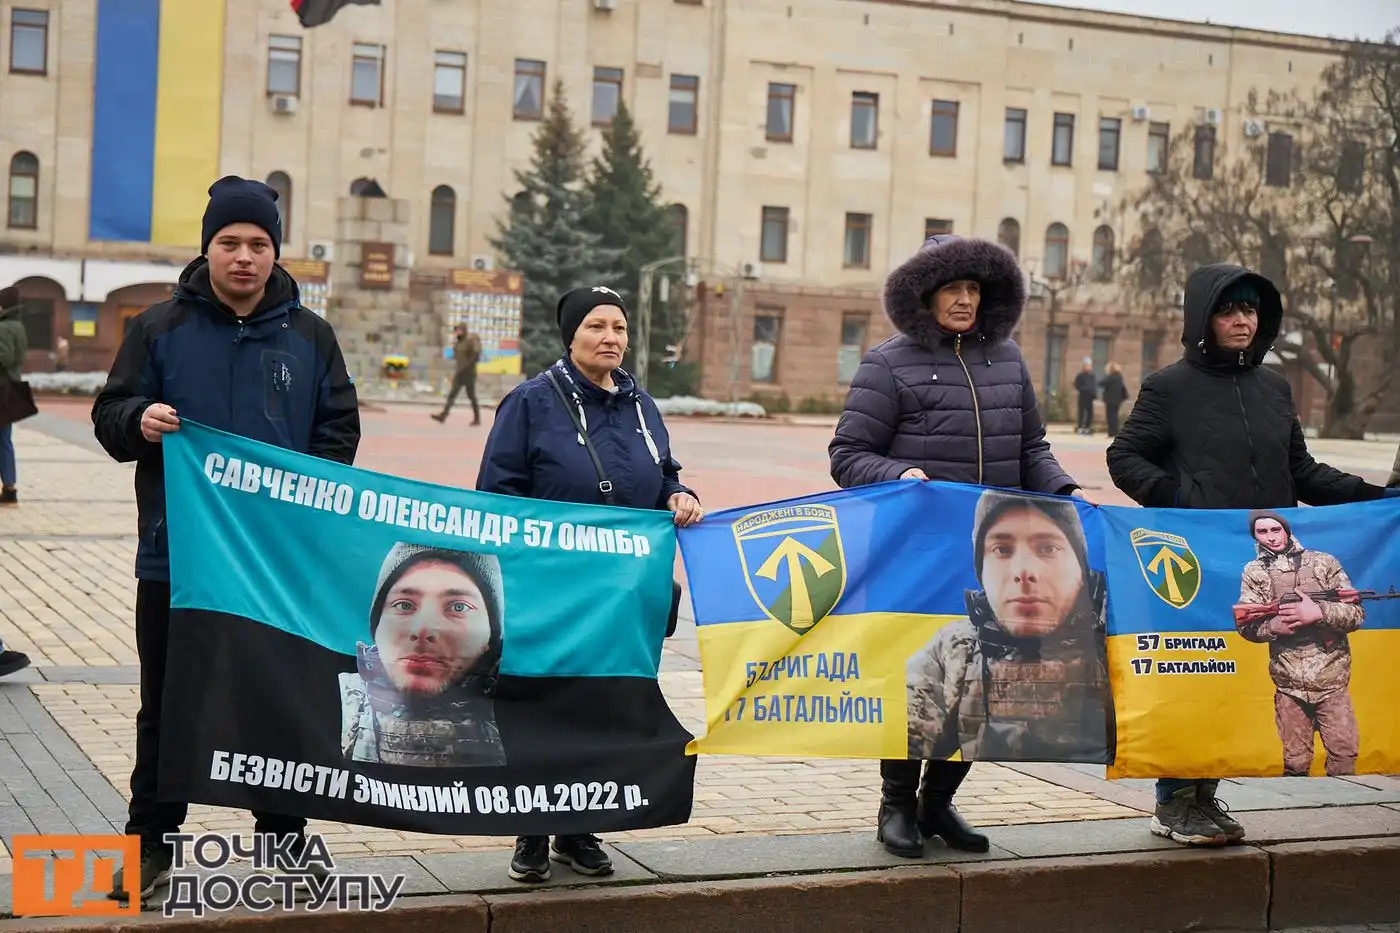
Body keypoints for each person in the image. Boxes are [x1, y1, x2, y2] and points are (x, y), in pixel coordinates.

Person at [90, 176, 361, 901]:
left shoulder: (310, 338)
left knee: (277, 695)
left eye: (258, 244)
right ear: (207, 247)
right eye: (229, 242)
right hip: (176, 560)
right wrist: (138, 420)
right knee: (168, 702)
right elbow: (110, 413)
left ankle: (284, 835)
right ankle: (151, 841)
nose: (244, 256)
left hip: (275, 567)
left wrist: (299, 492)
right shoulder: (158, 328)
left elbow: (338, 434)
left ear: (276, 252)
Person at [1105, 263, 1398, 848]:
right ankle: (1173, 801)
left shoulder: (1274, 387)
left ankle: (1206, 796)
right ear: (1202, 319)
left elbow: (1301, 471)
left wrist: (1379, 500)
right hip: (1199, 564)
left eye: (1250, 311)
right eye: (1228, 310)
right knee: (1198, 681)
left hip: (1266, 566)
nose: (1241, 321)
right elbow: (1125, 457)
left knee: (1238, 684)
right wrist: (1182, 502)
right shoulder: (1170, 386)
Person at [829, 232, 1091, 859]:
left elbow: (1031, 450)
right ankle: (896, 804)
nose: (966, 300)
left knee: (988, 679)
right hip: (916, 554)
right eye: (954, 288)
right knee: (919, 679)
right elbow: (847, 455)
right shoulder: (888, 363)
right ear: (926, 295)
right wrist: (897, 476)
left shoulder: (1007, 359)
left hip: (992, 556)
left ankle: (938, 802)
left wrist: (1067, 491)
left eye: (975, 288)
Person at [476, 284, 702, 884]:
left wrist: (680, 496)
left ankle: (580, 827)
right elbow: (496, 494)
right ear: (570, 336)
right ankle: (531, 830)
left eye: (620, 328)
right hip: (550, 592)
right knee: (543, 704)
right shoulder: (529, 403)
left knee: (607, 706)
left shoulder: (641, 406)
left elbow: (665, 476)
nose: (610, 338)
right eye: (597, 326)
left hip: (624, 597)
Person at [906, 489, 1111, 764]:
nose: (1024, 572)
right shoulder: (954, 648)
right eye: (1001, 550)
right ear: (981, 572)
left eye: (1048, 549)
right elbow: (903, 738)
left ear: (1080, 570)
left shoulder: (1123, 638)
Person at [339, 542, 507, 768]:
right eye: (404, 605)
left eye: (458, 607)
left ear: (490, 636)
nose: (422, 630)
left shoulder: (525, 719)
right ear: (377, 628)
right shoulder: (327, 707)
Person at [1234, 511, 1362, 777]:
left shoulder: (1322, 562)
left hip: (1332, 680)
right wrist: (1274, 627)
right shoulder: (1254, 571)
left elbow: (1355, 614)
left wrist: (1320, 613)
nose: (1271, 537)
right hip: (1288, 683)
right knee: (1295, 762)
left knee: (1344, 754)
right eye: (1262, 532)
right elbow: (1246, 623)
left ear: (1287, 530)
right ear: (1254, 536)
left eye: (1275, 529)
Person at [0, 284, 25, 506]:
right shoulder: (17, 325)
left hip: (2, 388)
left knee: (4, 440)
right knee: (5, 439)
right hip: (11, 388)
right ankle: (9, 486)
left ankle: (9, 487)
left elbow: (5, 357)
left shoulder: (5, 328)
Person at [431, 324, 481, 425]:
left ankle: (477, 418)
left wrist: (467, 367)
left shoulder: (471, 340)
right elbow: (457, 356)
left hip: (469, 373)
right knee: (452, 394)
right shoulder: (458, 342)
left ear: (464, 330)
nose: (457, 332)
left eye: (459, 330)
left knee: (471, 396)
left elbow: (475, 355)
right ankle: (444, 415)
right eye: (456, 331)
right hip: (459, 372)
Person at [1099, 362, 1128, 437]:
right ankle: (1115, 431)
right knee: (1115, 415)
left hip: (1110, 399)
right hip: (1118, 399)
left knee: (1110, 416)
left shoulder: (1110, 377)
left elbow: (1101, 383)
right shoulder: (1119, 377)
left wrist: (1106, 376)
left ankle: (1111, 432)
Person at [1074, 359, 1097, 435]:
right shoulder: (1080, 375)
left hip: (1090, 396)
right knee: (1082, 411)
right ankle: (1080, 427)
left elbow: (1094, 385)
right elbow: (1077, 385)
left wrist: (1094, 393)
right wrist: (1083, 389)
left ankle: (1088, 427)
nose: (1089, 368)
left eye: (1090, 366)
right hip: (1083, 395)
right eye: (1088, 366)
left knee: (1089, 412)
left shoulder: (1092, 376)